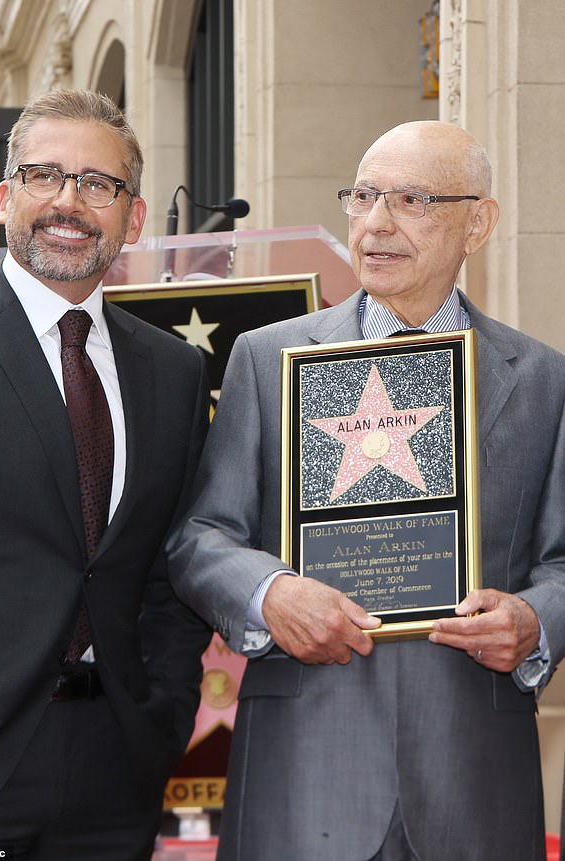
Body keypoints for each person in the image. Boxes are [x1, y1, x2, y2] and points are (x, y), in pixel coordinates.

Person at [169, 120, 565, 861]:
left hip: (472, 781)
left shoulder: (544, 380)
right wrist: (271, 594)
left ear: (477, 221)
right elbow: (200, 535)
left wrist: (536, 621)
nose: (376, 223)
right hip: (301, 774)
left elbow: (563, 562)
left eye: (411, 199)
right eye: (363, 196)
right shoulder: (265, 358)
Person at [0, 88, 211, 860]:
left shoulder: (175, 371)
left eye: (98, 183)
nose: (68, 201)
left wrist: (166, 714)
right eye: (44, 175)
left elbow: (169, 571)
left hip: (117, 768)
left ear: (134, 217)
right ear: (4, 198)